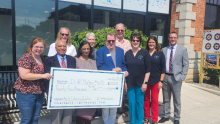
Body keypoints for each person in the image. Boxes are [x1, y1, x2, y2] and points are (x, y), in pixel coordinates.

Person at [13, 38, 53, 124]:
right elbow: (24, 75)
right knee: (26, 120)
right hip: (26, 93)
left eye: (41, 47)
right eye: (36, 46)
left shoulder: (42, 59)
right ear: (31, 47)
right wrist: (43, 75)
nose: (39, 49)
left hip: (39, 93)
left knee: (35, 119)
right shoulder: (26, 58)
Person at [96, 33, 128, 124]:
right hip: (105, 83)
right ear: (106, 41)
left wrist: (125, 71)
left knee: (114, 106)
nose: (111, 42)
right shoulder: (100, 51)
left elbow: (123, 64)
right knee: (106, 107)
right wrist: (112, 70)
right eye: (108, 41)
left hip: (117, 83)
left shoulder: (120, 51)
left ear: (115, 41)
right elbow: (99, 66)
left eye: (112, 40)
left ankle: (112, 122)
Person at [158, 32, 189, 124]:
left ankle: (176, 117)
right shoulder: (164, 49)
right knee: (166, 98)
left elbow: (186, 64)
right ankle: (166, 115)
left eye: (174, 38)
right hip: (166, 76)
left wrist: (182, 76)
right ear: (168, 38)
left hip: (176, 78)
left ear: (177, 38)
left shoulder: (183, 50)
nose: (172, 39)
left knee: (176, 99)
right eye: (171, 37)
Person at [44, 40, 76, 124]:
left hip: (69, 92)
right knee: (56, 118)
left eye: (64, 46)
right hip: (55, 93)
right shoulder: (49, 61)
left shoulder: (72, 60)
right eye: (59, 46)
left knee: (68, 117)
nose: (62, 48)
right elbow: (46, 78)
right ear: (55, 48)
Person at [124, 33, 151, 124]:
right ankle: (133, 121)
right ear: (131, 41)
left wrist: (145, 82)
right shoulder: (127, 53)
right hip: (130, 82)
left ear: (140, 42)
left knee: (139, 103)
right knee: (131, 103)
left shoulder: (144, 53)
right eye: (133, 40)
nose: (135, 42)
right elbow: (125, 69)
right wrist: (125, 83)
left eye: (137, 40)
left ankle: (139, 122)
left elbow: (148, 70)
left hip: (140, 83)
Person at [143, 36, 166, 124]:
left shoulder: (160, 53)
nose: (151, 44)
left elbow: (163, 68)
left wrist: (161, 81)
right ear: (147, 43)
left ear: (156, 43)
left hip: (156, 80)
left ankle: (154, 119)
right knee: (146, 99)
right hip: (146, 80)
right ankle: (146, 117)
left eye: (153, 42)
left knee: (154, 100)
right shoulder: (145, 53)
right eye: (150, 42)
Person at [74, 41, 97, 124]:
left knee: (89, 115)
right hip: (80, 92)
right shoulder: (76, 60)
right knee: (80, 114)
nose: (86, 50)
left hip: (91, 92)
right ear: (80, 49)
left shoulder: (93, 61)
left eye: (88, 48)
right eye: (84, 49)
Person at [115, 23, 131, 117]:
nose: (120, 32)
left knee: (123, 91)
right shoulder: (113, 41)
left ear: (124, 31)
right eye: (118, 30)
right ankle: (115, 109)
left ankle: (120, 108)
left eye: (122, 30)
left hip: (125, 70)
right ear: (115, 31)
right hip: (115, 70)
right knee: (115, 90)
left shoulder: (128, 42)